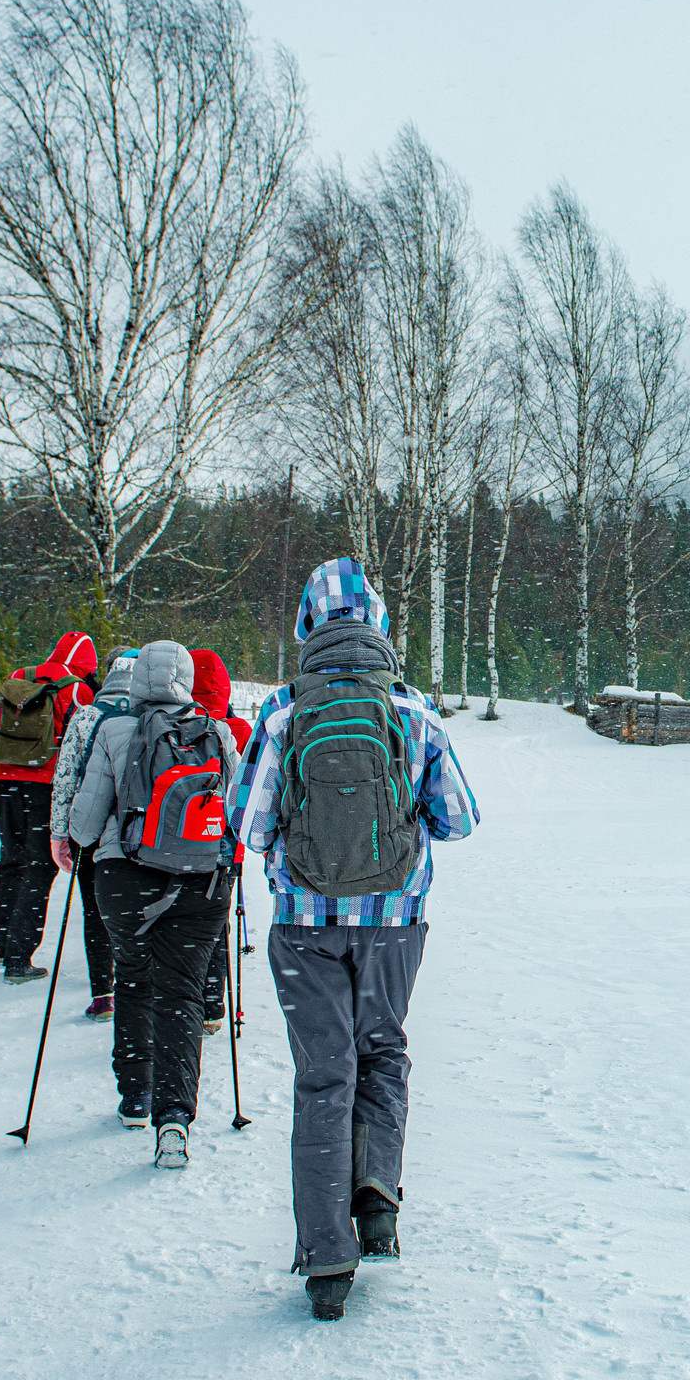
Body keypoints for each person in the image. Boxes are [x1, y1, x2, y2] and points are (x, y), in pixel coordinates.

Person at [230, 558, 478, 1321]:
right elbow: (458, 818)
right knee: (382, 1049)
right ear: (380, 625)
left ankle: (327, 1259)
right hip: (394, 922)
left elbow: (248, 825)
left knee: (323, 1073)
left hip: (304, 926)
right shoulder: (413, 711)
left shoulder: (282, 712)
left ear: (307, 625)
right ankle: (376, 1198)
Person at [66, 641, 239, 1168]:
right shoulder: (218, 732)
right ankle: (174, 1119)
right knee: (182, 993)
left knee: (134, 981)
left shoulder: (114, 730)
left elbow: (84, 826)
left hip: (126, 879)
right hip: (202, 881)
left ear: (136, 678)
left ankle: (136, 1096)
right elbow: (238, 811)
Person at [0, 632, 98, 982]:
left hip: (4, 777)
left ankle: (2, 944)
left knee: (11, 858)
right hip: (43, 784)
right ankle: (19, 957)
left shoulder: (21, 676)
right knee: (40, 865)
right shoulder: (76, 689)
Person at [49, 647, 138, 1017]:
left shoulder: (86, 715)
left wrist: (59, 834)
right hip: (138, 830)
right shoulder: (152, 714)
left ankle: (104, 993)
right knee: (138, 911)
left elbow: (65, 777)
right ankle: (138, 988)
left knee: (95, 911)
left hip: (91, 828)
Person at [187, 648, 252, 1037]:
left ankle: (184, 999)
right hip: (225, 845)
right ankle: (213, 1005)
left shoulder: (175, 724)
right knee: (216, 922)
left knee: (180, 923)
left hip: (179, 841)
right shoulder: (239, 729)